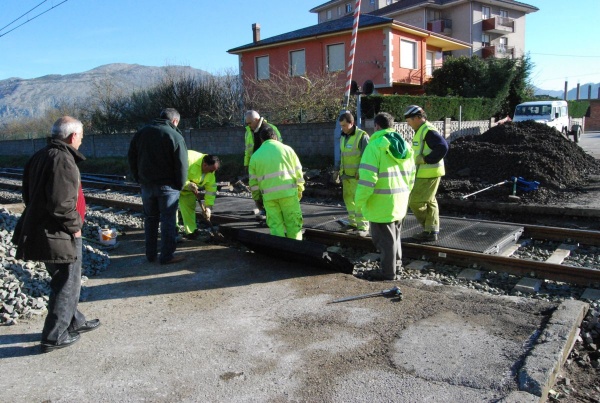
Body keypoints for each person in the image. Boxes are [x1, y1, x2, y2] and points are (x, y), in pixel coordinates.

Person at [12, 116, 101, 352]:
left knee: (65, 279)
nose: (81, 141)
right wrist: (75, 225)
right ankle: (54, 335)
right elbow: (61, 204)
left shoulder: (40, 155)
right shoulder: (63, 159)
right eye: (81, 136)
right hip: (60, 233)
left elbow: (28, 195)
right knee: (67, 283)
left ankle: (74, 321)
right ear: (73, 136)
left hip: (46, 230)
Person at [355, 112, 415, 281]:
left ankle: (388, 273)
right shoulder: (406, 146)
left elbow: (367, 181)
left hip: (381, 204)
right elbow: (411, 176)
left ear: (377, 126)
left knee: (385, 241)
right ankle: (396, 269)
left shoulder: (375, 146)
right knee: (395, 238)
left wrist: (359, 202)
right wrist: (405, 193)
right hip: (400, 201)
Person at [128, 108, 189, 264]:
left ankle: (150, 254)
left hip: (146, 185)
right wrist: (180, 185)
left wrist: (138, 178)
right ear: (174, 121)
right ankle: (167, 256)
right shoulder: (175, 136)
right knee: (168, 220)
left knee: (150, 219)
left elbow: (131, 158)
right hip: (168, 187)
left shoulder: (141, 133)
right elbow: (182, 165)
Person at [249, 125, 304, 240]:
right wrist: (300, 189)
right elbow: (298, 173)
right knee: (293, 223)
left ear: (261, 140)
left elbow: (253, 183)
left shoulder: (255, 157)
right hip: (288, 194)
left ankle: (281, 249)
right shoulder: (288, 150)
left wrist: (257, 199)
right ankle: (296, 250)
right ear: (275, 137)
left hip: (269, 197)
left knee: (275, 225)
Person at [404, 105, 449, 242]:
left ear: (418, 118)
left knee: (415, 202)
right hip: (427, 173)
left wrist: (425, 160)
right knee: (430, 201)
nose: (408, 124)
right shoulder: (422, 130)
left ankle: (428, 229)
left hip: (429, 173)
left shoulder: (428, 131)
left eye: (410, 121)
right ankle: (431, 230)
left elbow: (443, 147)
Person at [338, 111, 370, 236]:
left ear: (352, 123)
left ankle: (363, 226)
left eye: (345, 125)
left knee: (359, 201)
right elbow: (343, 155)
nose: (343, 128)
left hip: (358, 176)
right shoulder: (343, 136)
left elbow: (367, 157)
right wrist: (338, 170)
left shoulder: (362, 136)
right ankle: (353, 223)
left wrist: (361, 171)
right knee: (348, 200)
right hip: (346, 175)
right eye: (341, 126)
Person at [179, 151, 220, 239]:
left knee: (189, 208)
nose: (212, 173)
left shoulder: (211, 172)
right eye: (211, 170)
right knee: (171, 208)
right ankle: (173, 231)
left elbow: (211, 190)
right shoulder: (188, 159)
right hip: (173, 186)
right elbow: (177, 173)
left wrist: (208, 207)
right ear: (205, 165)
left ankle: (191, 232)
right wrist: (187, 184)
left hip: (188, 190)